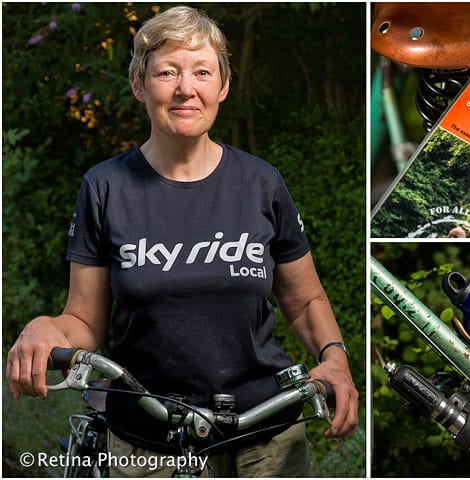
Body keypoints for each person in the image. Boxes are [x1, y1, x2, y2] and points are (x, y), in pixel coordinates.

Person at [6, 5, 358, 477]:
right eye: (167, 72)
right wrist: (47, 327)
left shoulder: (261, 182)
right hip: (147, 440)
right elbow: (83, 321)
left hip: (266, 437)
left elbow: (305, 299)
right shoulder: (105, 187)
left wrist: (334, 358)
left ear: (223, 86)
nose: (185, 88)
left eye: (202, 72)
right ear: (139, 84)